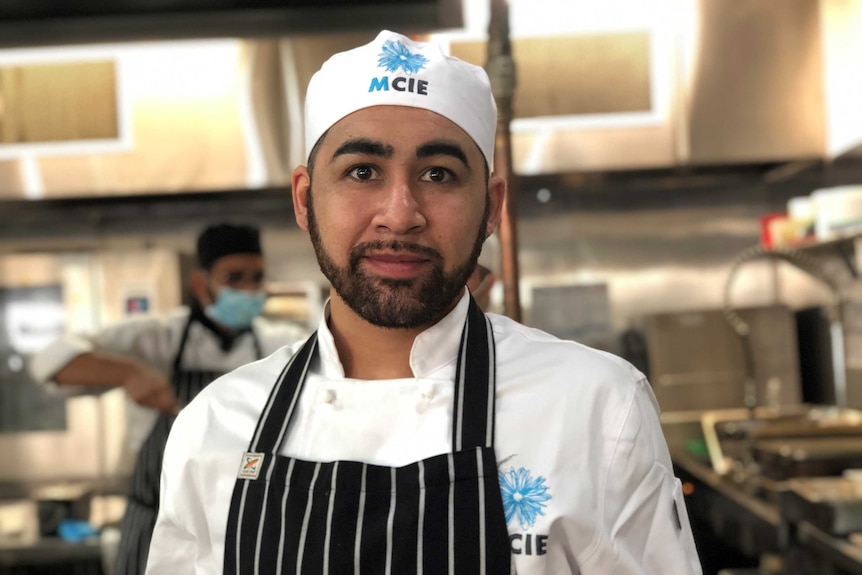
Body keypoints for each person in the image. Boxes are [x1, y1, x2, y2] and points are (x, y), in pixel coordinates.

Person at [147, 31, 702, 574]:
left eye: (439, 174)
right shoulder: (215, 428)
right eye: (362, 172)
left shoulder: (597, 409)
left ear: (491, 207)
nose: (401, 212)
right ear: (304, 198)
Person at [29, 222, 309, 575]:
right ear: (199, 283)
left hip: (241, 525)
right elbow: (50, 363)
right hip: (154, 525)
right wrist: (129, 372)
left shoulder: (278, 344)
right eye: (234, 278)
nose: (249, 289)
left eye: (257, 278)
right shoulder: (156, 338)